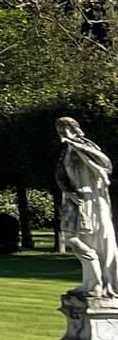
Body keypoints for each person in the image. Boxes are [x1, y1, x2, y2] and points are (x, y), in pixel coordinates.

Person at [58, 117, 115, 301]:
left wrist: (79, 147)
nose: (62, 132)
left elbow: (105, 165)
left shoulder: (85, 146)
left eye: (65, 128)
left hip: (93, 200)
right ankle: (92, 282)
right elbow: (60, 176)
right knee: (75, 238)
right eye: (59, 129)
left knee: (94, 239)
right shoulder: (65, 152)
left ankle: (98, 284)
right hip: (77, 199)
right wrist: (68, 191)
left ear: (74, 129)